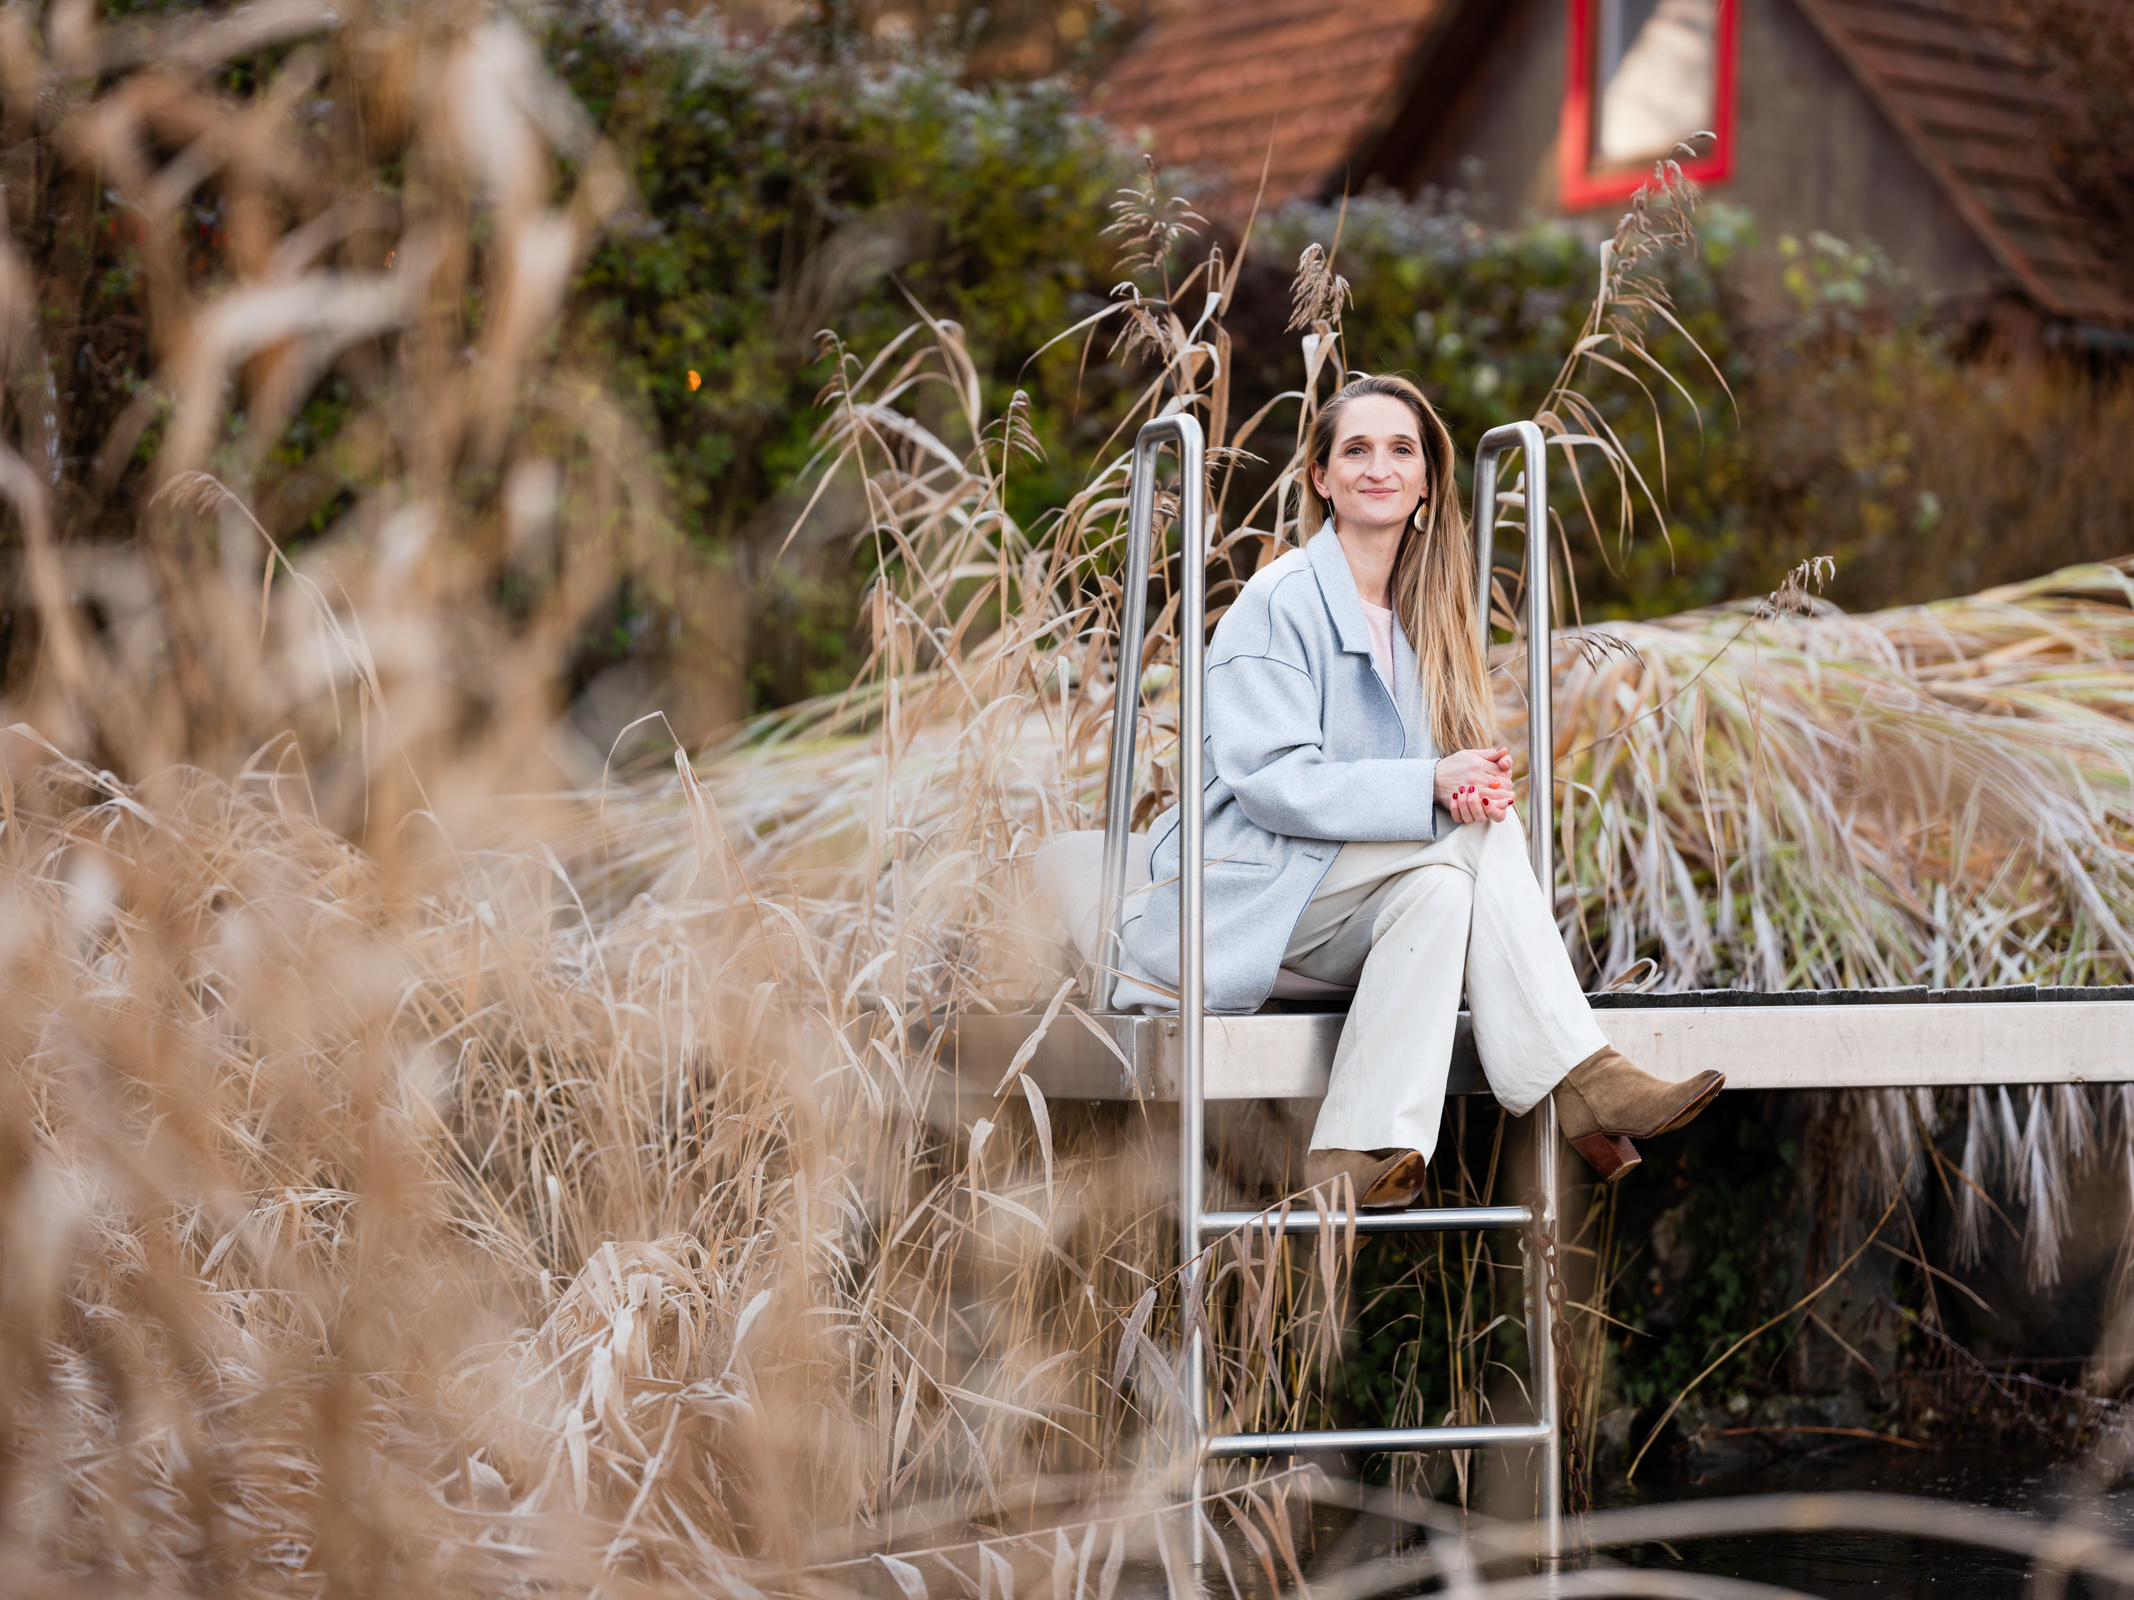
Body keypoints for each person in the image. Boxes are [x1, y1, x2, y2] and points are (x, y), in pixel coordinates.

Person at [1110, 374, 1722, 1209]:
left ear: (1429, 478)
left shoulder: (1428, 613)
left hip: (1343, 901)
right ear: (1321, 477)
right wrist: (1433, 786)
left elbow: (1424, 804)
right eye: (1355, 450)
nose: (1379, 468)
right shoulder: (1278, 600)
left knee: (1441, 888)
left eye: (1401, 450)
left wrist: (1465, 792)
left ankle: (1362, 1146)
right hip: (1247, 893)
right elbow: (1272, 785)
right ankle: (1581, 1080)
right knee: (1473, 842)